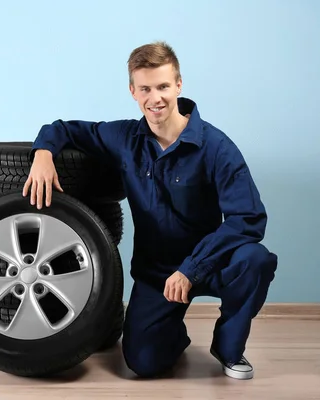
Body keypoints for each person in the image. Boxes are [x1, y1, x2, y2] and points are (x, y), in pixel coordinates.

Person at [22, 41, 278, 380]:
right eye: (145, 88)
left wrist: (192, 269)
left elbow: (249, 219)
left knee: (255, 259)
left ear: (178, 85)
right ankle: (169, 332)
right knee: (143, 363)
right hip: (157, 273)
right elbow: (65, 129)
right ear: (133, 91)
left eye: (162, 87)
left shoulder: (217, 147)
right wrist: (43, 154)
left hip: (210, 261)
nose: (155, 98)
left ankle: (229, 347)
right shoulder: (124, 137)